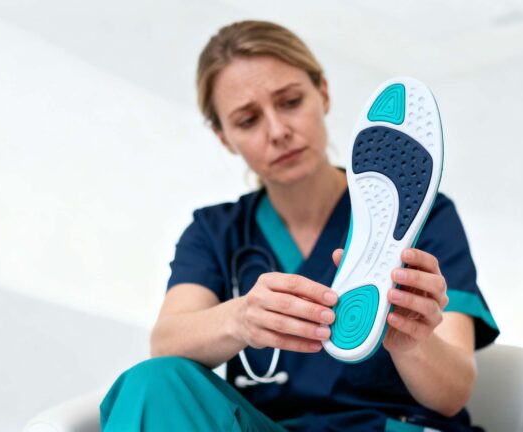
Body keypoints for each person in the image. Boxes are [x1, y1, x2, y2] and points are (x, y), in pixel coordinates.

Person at [100, 20, 500, 432]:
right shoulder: (216, 231)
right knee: (151, 383)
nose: (278, 132)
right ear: (224, 137)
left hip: (389, 428)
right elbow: (165, 342)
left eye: (290, 102)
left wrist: (413, 344)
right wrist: (240, 319)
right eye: (248, 121)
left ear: (322, 92)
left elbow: (453, 394)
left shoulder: (423, 215)